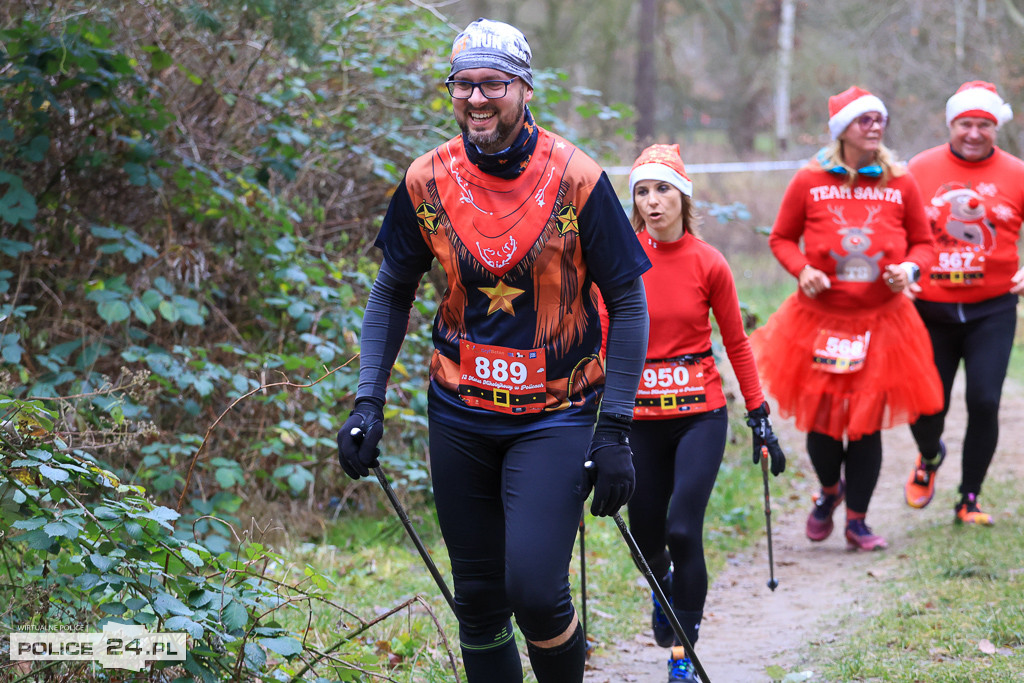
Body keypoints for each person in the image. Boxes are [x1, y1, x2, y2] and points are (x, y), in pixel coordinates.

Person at [336, 19, 651, 683]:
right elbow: (391, 291)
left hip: (556, 413)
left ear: (524, 88)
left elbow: (628, 302)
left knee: (536, 591)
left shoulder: (578, 179)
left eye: (493, 84)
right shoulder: (426, 180)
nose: (477, 99)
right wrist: (369, 400)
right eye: (463, 85)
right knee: (478, 600)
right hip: (459, 413)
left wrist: (617, 429)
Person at [606, 144, 786, 682]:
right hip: (638, 420)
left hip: (698, 417)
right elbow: (598, 341)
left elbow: (736, 343)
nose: (653, 201)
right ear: (634, 203)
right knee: (645, 536)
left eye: (663, 189)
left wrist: (759, 414)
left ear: (682, 195)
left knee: (684, 529)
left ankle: (682, 651)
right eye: (642, 191)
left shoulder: (709, 262)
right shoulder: (621, 263)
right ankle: (665, 590)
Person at [750, 86, 943, 552]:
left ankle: (857, 520)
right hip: (819, 321)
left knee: (865, 423)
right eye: (865, 120)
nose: (875, 126)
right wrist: (804, 270)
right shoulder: (809, 180)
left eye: (880, 119)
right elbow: (781, 239)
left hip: (882, 321)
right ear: (843, 130)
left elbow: (926, 243)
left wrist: (909, 269)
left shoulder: (901, 181)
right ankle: (830, 491)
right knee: (821, 422)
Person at [902, 81, 1024, 525]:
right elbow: (894, 227)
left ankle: (968, 498)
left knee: (985, 401)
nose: (974, 133)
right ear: (951, 124)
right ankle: (929, 456)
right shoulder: (920, 167)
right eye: (965, 124)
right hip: (929, 308)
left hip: (991, 307)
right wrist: (902, 269)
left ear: (996, 127)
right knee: (928, 402)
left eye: (984, 125)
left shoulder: (1016, 172)